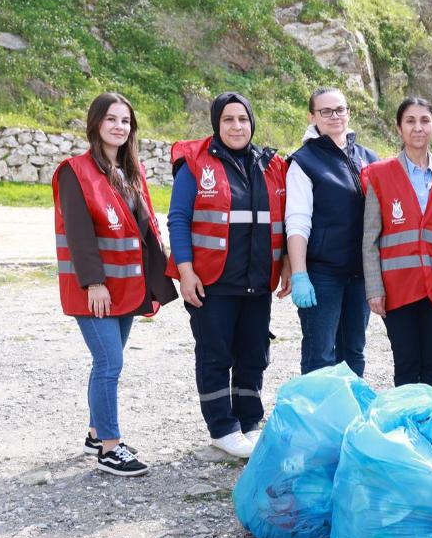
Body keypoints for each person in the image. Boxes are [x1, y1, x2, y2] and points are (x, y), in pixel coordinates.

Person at [52, 92, 178, 476]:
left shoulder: (129, 171)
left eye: (125, 121)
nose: (119, 126)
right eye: (111, 119)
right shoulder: (75, 171)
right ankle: (110, 447)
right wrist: (93, 283)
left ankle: (95, 433)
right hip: (96, 290)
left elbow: (144, 229)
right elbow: (78, 233)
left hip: (126, 287)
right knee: (110, 362)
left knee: (106, 361)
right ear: (96, 123)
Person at [167, 92, 290, 459]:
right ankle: (222, 428)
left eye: (243, 119)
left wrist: (284, 263)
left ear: (252, 123)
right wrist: (185, 271)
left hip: (257, 281)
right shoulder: (195, 163)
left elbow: (282, 219)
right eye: (228, 120)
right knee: (215, 354)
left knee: (254, 353)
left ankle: (250, 422)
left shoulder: (271, 165)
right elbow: (179, 219)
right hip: (212, 282)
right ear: (216, 124)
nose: (237, 127)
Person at [363, 98, 432, 398]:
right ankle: (407, 423)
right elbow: (370, 238)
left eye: (425, 120)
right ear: (399, 128)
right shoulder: (379, 174)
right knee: (406, 364)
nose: (418, 127)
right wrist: (374, 288)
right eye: (410, 121)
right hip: (397, 287)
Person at [285, 87, 379, 376]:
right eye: (325, 111)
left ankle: (349, 407)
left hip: (360, 275)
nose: (335, 116)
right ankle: (317, 408)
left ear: (349, 112)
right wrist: (299, 274)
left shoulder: (368, 158)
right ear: (312, 117)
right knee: (321, 355)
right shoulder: (304, 162)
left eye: (340, 109)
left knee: (354, 352)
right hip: (322, 274)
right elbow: (297, 222)